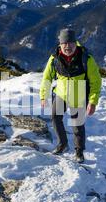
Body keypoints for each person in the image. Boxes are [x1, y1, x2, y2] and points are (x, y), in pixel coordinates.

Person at [40, 28, 102, 163]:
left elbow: (96, 81)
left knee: (77, 124)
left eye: (70, 43)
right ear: (60, 44)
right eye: (64, 43)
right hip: (61, 93)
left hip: (78, 93)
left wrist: (93, 101)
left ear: (75, 43)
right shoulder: (54, 57)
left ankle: (79, 152)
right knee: (55, 118)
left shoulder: (86, 58)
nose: (67, 46)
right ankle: (62, 144)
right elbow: (47, 78)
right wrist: (44, 96)